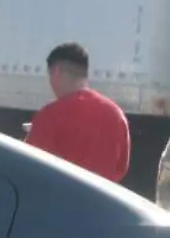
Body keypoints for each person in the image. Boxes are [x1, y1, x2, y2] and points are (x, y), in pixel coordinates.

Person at [25, 43, 130, 183]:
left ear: (56, 72)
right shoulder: (116, 115)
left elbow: (31, 166)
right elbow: (120, 168)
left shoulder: (50, 115)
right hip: (102, 202)